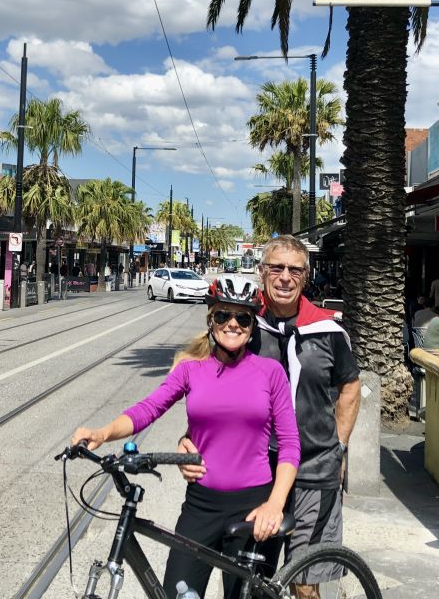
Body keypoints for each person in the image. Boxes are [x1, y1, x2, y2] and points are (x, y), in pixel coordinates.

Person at [71, 276, 300, 598]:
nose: (232, 324)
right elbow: (149, 408)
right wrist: (103, 432)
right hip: (200, 506)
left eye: (243, 318)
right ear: (211, 319)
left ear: (252, 326)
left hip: (254, 506)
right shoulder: (191, 369)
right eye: (223, 315)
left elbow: (290, 444)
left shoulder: (270, 372)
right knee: (179, 593)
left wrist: (275, 505)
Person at [179, 235, 360, 597]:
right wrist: (190, 438)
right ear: (262, 273)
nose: (285, 277)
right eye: (276, 268)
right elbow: (209, 385)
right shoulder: (243, 325)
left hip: (313, 472)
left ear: (305, 277)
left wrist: (338, 447)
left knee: (304, 583)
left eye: (295, 270)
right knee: (250, 580)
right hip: (258, 473)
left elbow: (350, 389)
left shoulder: (329, 331)